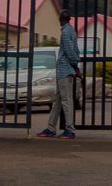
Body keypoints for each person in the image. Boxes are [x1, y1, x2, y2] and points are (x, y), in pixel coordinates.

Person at [37, 9, 81, 139]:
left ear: (61, 19)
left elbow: (70, 52)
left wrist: (75, 67)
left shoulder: (66, 32)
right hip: (63, 70)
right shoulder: (71, 31)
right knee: (57, 101)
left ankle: (70, 129)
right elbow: (75, 50)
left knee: (66, 100)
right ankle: (51, 128)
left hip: (65, 70)